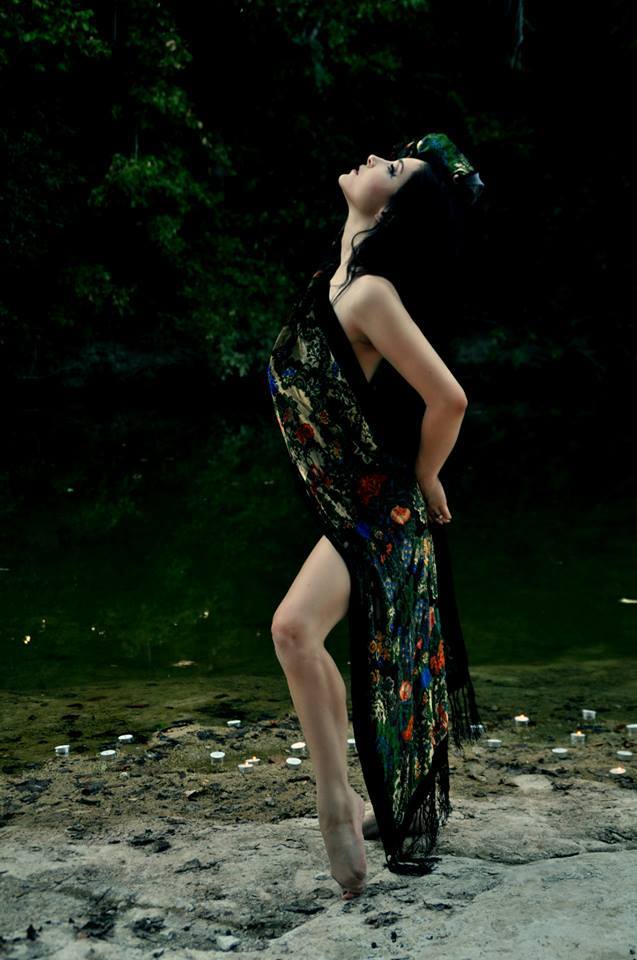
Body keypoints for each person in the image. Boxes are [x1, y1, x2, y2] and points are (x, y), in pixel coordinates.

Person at [266, 133, 484, 899]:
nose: (371, 161)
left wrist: (424, 475)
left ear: (390, 212)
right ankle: (346, 797)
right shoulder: (334, 281)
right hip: (349, 504)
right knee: (300, 637)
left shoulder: (367, 297)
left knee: (293, 630)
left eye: (390, 170)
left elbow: (449, 399)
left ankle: (336, 805)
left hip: (379, 508)